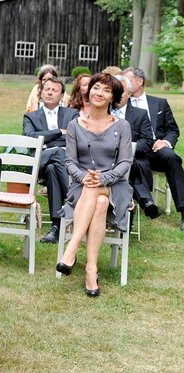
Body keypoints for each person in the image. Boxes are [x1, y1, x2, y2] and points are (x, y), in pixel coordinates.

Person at [56, 73, 133, 297]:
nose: (99, 93)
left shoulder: (123, 126)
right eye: (96, 88)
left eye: (106, 90)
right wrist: (83, 177)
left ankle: (71, 249)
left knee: (98, 191)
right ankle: (91, 270)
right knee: (99, 202)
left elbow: (126, 162)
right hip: (83, 185)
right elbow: (69, 162)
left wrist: (104, 178)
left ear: (113, 98)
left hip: (115, 185)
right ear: (88, 91)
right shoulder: (74, 125)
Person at [123, 67, 184, 230]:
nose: (124, 84)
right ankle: (139, 205)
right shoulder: (122, 103)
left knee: (172, 157)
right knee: (129, 161)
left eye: (128, 80)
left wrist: (166, 142)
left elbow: (173, 129)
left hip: (156, 148)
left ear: (139, 81)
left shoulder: (159, 103)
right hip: (136, 149)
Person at [23, 77, 78, 243]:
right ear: (40, 92)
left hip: (62, 164)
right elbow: (29, 137)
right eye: (46, 89)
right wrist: (59, 132)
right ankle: (75, 199)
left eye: (54, 90)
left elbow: (76, 137)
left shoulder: (72, 114)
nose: (49, 92)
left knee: (53, 169)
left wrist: (45, 136)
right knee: (57, 153)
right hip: (39, 160)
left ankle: (56, 226)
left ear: (62, 95)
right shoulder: (31, 116)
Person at [112, 75, 158, 218]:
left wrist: (127, 149)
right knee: (126, 164)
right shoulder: (102, 112)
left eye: (122, 91)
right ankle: (146, 200)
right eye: (114, 91)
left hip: (135, 160)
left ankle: (126, 220)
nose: (117, 95)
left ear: (130, 94)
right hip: (106, 159)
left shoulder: (140, 114)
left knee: (128, 163)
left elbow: (146, 142)